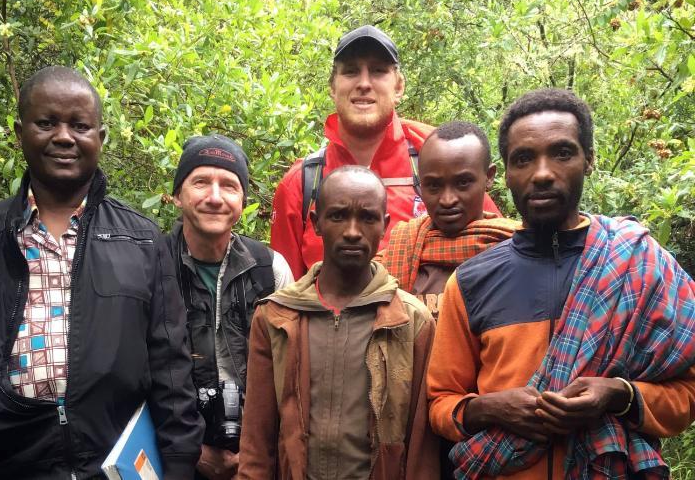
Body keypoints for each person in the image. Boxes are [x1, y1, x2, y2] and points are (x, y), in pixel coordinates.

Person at [0, 66, 203, 479]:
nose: (64, 136)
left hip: (112, 464)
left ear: (100, 139)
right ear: (19, 131)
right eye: (47, 122)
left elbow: (171, 372)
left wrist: (178, 465)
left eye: (80, 125)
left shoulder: (143, 243)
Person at [428, 88, 695, 479]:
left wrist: (619, 394)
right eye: (523, 158)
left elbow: (687, 393)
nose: (542, 173)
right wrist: (491, 407)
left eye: (562, 153)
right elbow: (440, 403)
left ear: (589, 160)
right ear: (504, 172)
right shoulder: (471, 281)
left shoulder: (640, 264)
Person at [239, 165, 439, 480]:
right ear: (316, 222)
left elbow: (421, 447)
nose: (352, 231)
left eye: (368, 218)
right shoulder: (277, 316)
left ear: (385, 225)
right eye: (338, 216)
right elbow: (257, 438)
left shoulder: (410, 320)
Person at [270, 24, 501, 279]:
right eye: (351, 72)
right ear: (333, 88)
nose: (364, 83)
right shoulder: (301, 183)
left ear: (399, 86)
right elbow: (286, 297)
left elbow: (496, 246)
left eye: (378, 71)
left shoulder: (437, 159)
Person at [164, 134, 293, 479]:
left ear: (242, 200)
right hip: (174, 453)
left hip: (258, 456)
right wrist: (192, 451)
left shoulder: (270, 269)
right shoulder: (152, 268)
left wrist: (255, 455)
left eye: (229, 185)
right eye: (201, 182)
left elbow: (290, 376)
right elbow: (132, 377)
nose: (215, 197)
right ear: (178, 195)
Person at [380, 121, 518, 317]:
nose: (447, 200)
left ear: (488, 177)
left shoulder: (516, 250)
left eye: (462, 183)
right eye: (434, 186)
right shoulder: (397, 254)